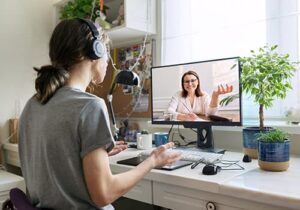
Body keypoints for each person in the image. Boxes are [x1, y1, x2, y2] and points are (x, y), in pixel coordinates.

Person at [18, 18, 180, 210]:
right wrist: (152, 161)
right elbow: (104, 193)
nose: (107, 63)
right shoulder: (90, 106)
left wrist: (89, 153)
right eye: (107, 56)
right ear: (96, 52)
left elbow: (53, 161)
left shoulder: (33, 104)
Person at [167, 70, 233, 121]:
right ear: (183, 84)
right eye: (186, 81)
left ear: (197, 82)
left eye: (192, 80)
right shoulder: (177, 95)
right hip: (181, 128)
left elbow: (210, 114)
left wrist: (215, 96)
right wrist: (184, 117)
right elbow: (169, 111)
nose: (190, 84)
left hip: (201, 127)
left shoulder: (204, 95)